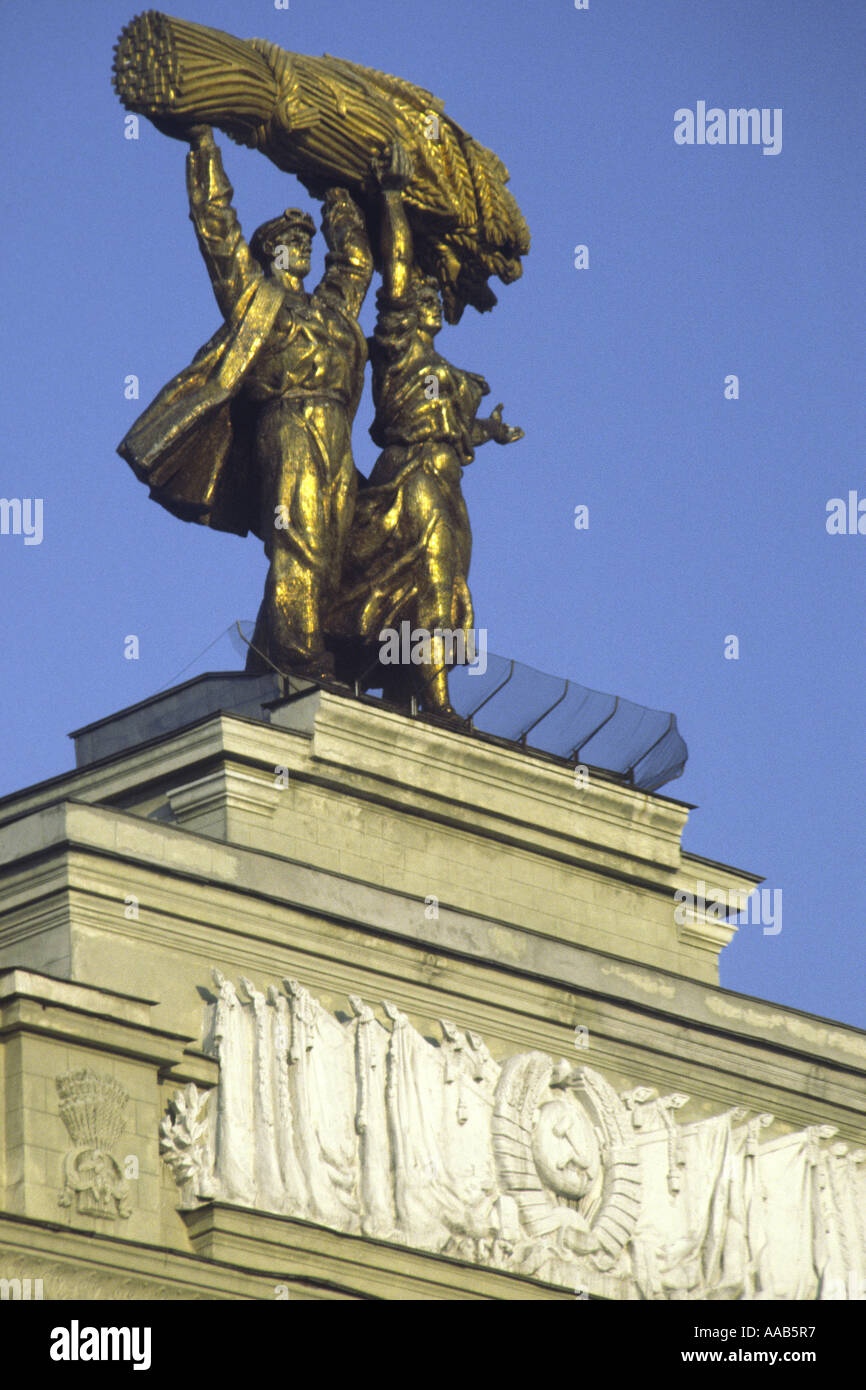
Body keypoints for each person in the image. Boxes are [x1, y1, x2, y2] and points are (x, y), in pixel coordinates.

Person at [119, 123, 374, 677]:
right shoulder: (255, 297)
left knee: (333, 548)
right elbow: (217, 230)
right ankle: (297, 654)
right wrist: (203, 146)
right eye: (290, 240)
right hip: (287, 423)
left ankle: (269, 651)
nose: (302, 245)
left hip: (336, 430)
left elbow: (355, 263)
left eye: (307, 240)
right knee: (298, 533)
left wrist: (335, 192)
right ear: (268, 254)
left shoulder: (334, 309)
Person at [328, 144, 523, 716]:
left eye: (435, 295)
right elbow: (397, 265)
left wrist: (486, 430)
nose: (431, 300)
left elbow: (449, 427)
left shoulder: (450, 375)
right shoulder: (397, 345)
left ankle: (409, 685)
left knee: (446, 588)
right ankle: (435, 700)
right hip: (410, 479)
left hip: (448, 486)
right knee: (435, 580)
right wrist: (391, 198)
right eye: (422, 295)